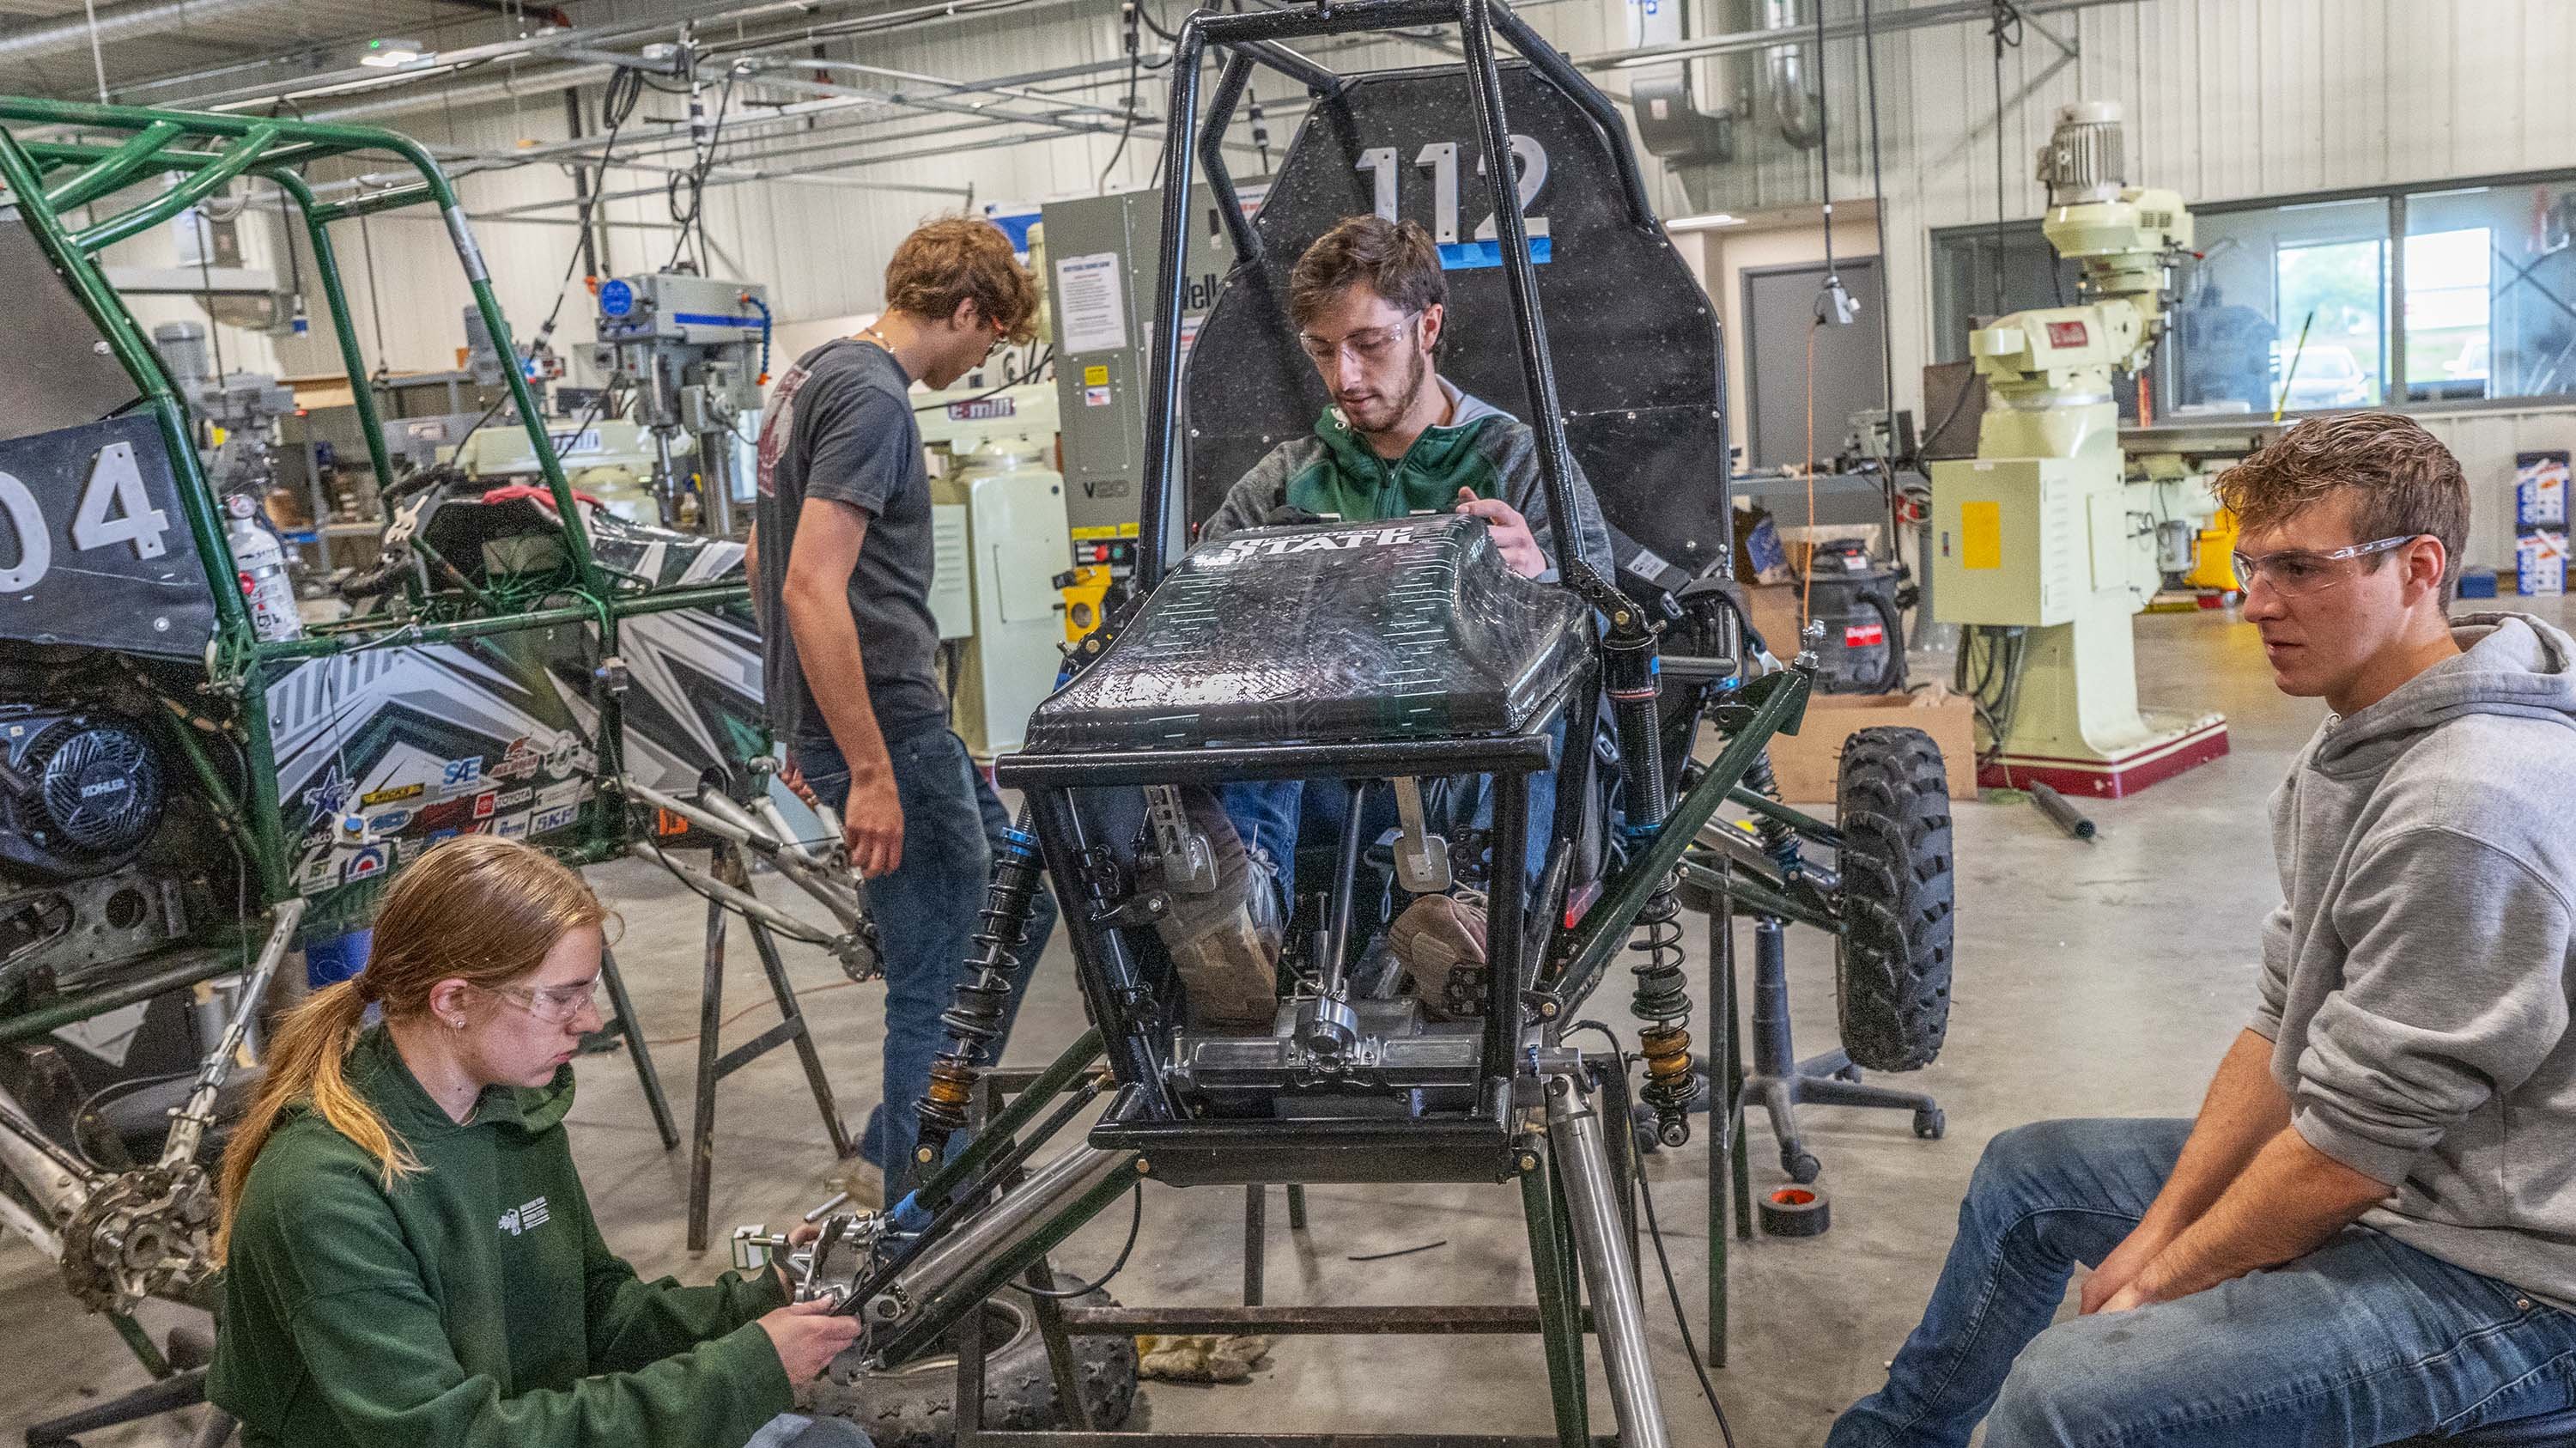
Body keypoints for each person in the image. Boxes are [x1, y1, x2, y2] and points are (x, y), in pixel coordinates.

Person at [1828, 411, 2576, 1448]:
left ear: (2419, 569)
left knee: (2068, 1394)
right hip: (2410, 1177)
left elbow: (2352, 1152)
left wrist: (2164, 1277)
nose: (2254, 602)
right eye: (2253, 563)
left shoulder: (2467, 806)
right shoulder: (2352, 752)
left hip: (2510, 1272)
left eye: (2302, 569)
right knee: (2028, 1176)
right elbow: (2283, 1027)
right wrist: (2168, 1225)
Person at [210, 837, 869, 1448]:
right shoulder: (326, 1191)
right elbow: (452, 1436)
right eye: (563, 998)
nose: (591, 1020)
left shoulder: (510, 1110)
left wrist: (770, 1296)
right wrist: (746, 1369)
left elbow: (595, 1314)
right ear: (454, 1000)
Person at [1155, 215, 1614, 1025]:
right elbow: (1186, 626)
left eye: (1369, 343)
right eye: (1322, 350)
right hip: (1328, 773)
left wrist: (1540, 586)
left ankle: (1471, 910)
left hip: (1468, 770)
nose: (1345, 374)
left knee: (1551, 682)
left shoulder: (1516, 460)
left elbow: (1606, 625)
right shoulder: (1283, 482)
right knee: (1236, 672)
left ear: (1428, 325)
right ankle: (1239, 905)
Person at [747, 216, 1060, 1201]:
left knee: (1024, 900)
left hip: (882, 723)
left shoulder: (809, 377)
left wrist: (795, 724)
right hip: (890, 733)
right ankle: (924, 1231)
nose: (981, 363)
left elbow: (762, 560)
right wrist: (867, 767)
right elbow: (806, 584)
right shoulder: (876, 399)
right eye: (990, 339)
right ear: (966, 309)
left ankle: (899, 1151)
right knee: (947, 978)